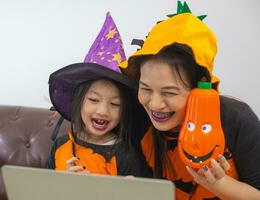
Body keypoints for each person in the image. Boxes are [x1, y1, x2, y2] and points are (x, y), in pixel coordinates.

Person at [120, 1, 260, 199]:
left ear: (199, 89)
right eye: (146, 89)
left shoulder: (236, 119)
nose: (155, 104)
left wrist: (219, 183)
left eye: (169, 93)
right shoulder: (138, 122)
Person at [46, 12, 152, 178]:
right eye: (94, 100)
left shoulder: (127, 155)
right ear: (78, 102)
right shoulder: (60, 146)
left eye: (115, 104)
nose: (103, 111)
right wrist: (61, 185)